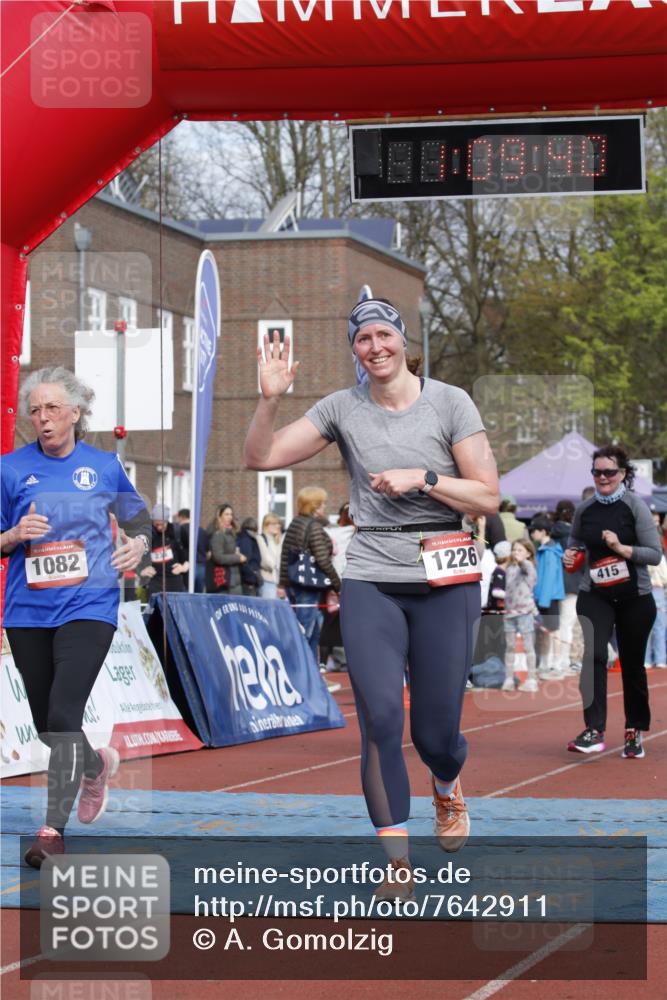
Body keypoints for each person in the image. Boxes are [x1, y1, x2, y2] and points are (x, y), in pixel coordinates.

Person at [243, 299, 499, 897]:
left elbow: (487, 497)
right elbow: (258, 458)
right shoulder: (341, 407)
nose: (375, 347)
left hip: (443, 575)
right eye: (363, 339)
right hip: (371, 575)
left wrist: (424, 478)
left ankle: (446, 784)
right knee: (381, 719)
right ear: (354, 349)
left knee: (437, 732)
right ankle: (397, 866)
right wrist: (270, 398)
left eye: (384, 334)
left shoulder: (450, 402)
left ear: (403, 341)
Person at [0, 367, 150, 867]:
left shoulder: (104, 466)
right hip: (27, 611)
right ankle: (95, 765)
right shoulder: (10, 469)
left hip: (90, 605)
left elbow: (138, 519)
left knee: (65, 713)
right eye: (35, 410)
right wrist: (16, 534)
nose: (42, 419)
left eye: (52, 409)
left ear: (76, 413)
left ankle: (51, 830)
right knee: (48, 724)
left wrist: (138, 545)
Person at [563, 446, 661, 758]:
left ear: (623, 474)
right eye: (597, 472)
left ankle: (634, 730)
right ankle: (594, 729)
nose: (603, 477)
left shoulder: (635, 507)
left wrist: (621, 548)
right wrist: (570, 557)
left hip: (635, 596)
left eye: (609, 472)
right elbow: (575, 547)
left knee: (632, 665)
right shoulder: (585, 510)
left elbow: (655, 554)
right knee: (593, 656)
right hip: (596, 594)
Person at [280, 487, 341, 663]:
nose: (324, 508)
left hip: (294, 583)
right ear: (314, 507)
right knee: (305, 633)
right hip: (308, 586)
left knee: (311, 632)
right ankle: (299, 674)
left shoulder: (295, 523)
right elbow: (323, 560)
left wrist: (283, 583)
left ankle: (312, 675)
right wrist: (339, 585)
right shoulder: (314, 527)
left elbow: (285, 555)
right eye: (322, 504)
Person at [529, 514, 565, 679]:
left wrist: (542, 600)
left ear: (543, 531)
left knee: (552, 630)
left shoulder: (549, 551)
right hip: (543, 597)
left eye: (534, 530)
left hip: (548, 598)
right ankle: (545, 662)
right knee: (545, 632)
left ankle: (555, 663)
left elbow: (549, 578)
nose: (531, 534)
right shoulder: (545, 550)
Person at [501, 540, 538, 692]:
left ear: (528, 553)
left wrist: (522, 561)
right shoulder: (509, 568)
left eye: (520, 550)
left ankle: (531, 679)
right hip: (509, 612)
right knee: (510, 647)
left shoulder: (529, 568)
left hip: (525, 612)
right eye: (514, 550)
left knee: (528, 646)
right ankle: (509, 678)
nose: (516, 553)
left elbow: (526, 567)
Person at [551, 499, 583, 674]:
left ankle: (556, 660)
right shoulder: (574, 536)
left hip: (555, 583)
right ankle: (564, 660)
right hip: (573, 581)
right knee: (568, 624)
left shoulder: (551, 532)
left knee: (557, 624)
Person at [139, 504, 189, 599]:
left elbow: (189, 553)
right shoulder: (147, 533)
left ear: (167, 521)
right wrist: (142, 570)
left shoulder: (177, 531)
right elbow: (138, 556)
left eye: (162, 524)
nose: (159, 527)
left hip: (174, 581)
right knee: (155, 612)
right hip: (155, 581)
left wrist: (184, 567)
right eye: (156, 524)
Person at [645, 508, 667, 670]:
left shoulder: (656, 542)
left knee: (653, 627)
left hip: (651, 588)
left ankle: (653, 658)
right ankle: (654, 659)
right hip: (653, 589)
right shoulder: (659, 556)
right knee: (654, 627)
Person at [208, 503, 245, 595]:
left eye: (231, 514)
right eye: (226, 514)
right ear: (220, 516)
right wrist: (238, 558)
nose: (230, 517)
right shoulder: (218, 534)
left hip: (234, 578)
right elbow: (218, 557)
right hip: (224, 579)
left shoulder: (231, 533)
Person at [175, 508, 208, 593]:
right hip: (201, 565)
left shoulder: (178, 530)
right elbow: (208, 551)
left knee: (186, 595)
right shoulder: (202, 531)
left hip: (186, 566)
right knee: (199, 596)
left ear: (180, 517)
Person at [256, 513, 284, 599]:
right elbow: (266, 561)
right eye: (274, 524)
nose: (278, 526)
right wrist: (278, 566)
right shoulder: (260, 538)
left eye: (278, 523)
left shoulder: (279, 540)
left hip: (279, 583)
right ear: (266, 525)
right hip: (267, 581)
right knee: (268, 610)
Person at [237, 517, 264, 596]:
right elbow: (246, 561)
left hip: (248, 579)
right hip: (249, 581)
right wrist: (252, 580)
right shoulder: (247, 540)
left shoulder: (244, 538)